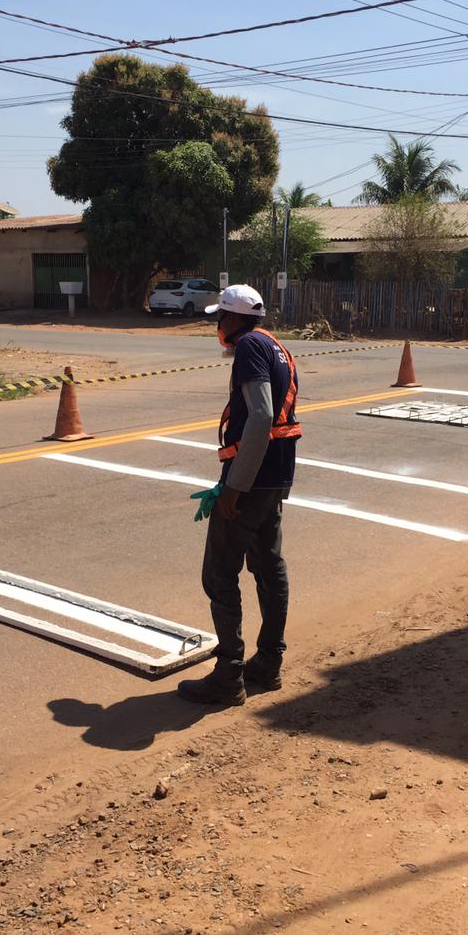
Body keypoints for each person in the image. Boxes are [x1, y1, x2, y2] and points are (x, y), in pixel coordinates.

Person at [177, 285, 299, 708]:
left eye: (219, 318)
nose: (217, 327)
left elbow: (263, 414)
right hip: (276, 476)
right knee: (268, 568)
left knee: (220, 575)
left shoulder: (248, 345)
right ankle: (268, 663)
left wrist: (234, 487)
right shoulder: (275, 345)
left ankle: (229, 676)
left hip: (252, 480)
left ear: (232, 319)